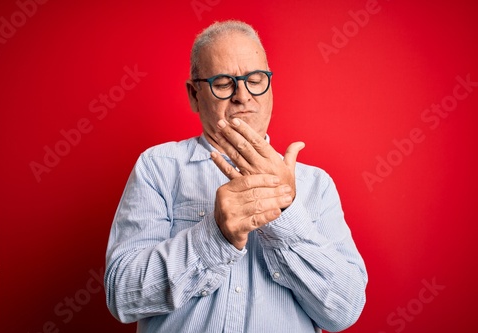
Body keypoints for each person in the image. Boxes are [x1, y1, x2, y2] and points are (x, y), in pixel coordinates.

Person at [104, 20, 367, 333]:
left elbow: (344, 311)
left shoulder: (316, 185)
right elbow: (122, 296)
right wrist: (215, 236)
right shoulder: (157, 167)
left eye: (256, 80)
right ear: (194, 94)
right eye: (224, 83)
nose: (244, 96)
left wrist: (284, 212)